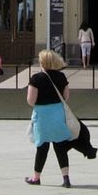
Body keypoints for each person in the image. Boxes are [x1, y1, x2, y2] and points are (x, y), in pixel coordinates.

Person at [25, 49, 75, 187]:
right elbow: (66, 97)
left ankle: (36, 177)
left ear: (42, 62)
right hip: (58, 115)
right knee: (60, 147)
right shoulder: (61, 77)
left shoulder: (36, 78)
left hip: (42, 116)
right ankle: (66, 178)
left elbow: (31, 100)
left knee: (42, 147)